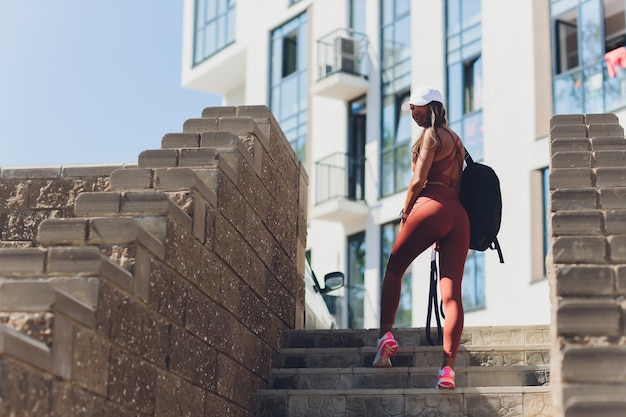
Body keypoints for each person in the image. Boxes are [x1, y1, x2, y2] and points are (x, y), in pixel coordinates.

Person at [372, 86, 470, 390]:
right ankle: (447, 370)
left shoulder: (432, 135)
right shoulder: (458, 140)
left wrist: (405, 212)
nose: (412, 114)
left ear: (429, 107)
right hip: (458, 215)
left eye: (415, 108)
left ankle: (386, 336)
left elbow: (419, 180)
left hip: (431, 206)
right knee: (452, 295)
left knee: (394, 267)